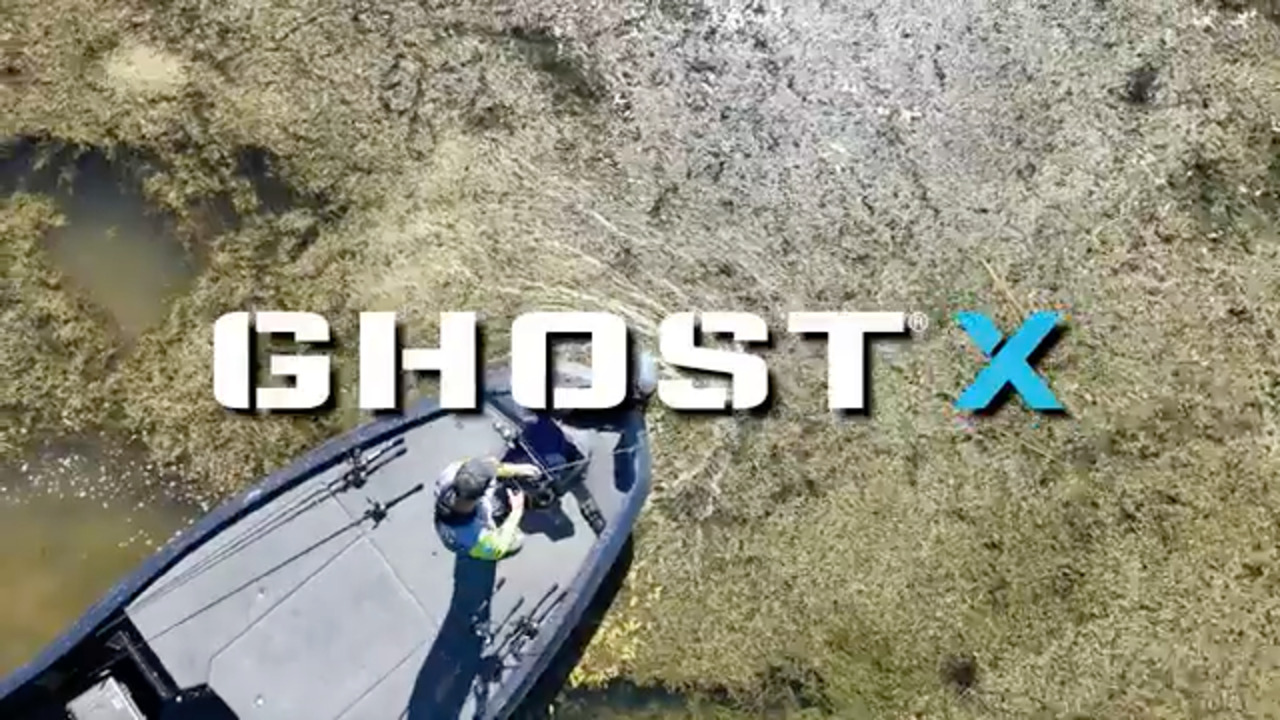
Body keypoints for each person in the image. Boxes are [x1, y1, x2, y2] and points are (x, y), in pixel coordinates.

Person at [434, 456, 542, 560]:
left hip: (456, 524)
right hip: (468, 545)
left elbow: (484, 464)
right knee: (517, 541)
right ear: (485, 492)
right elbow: (498, 547)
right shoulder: (477, 539)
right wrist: (516, 511)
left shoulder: (451, 472)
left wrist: (516, 470)